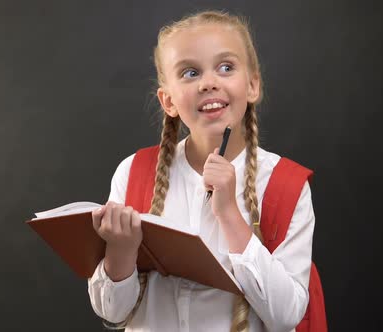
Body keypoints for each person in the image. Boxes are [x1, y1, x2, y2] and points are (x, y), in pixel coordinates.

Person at [88, 10, 315, 332]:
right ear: (168, 101)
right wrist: (121, 251)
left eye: (226, 67)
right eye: (190, 73)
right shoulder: (133, 172)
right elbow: (112, 312)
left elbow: (286, 315)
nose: (209, 83)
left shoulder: (284, 185)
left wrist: (230, 215)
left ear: (252, 85)